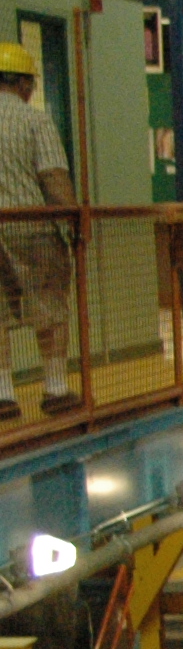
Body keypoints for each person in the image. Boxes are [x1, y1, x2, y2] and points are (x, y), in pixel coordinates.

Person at [0, 42, 80, 416]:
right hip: (32, 229)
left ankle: (3, 394)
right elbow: (53, 178)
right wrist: (73, 221)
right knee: (49, 304)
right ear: (24, 84)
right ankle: (55, 388)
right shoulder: (35, 121)